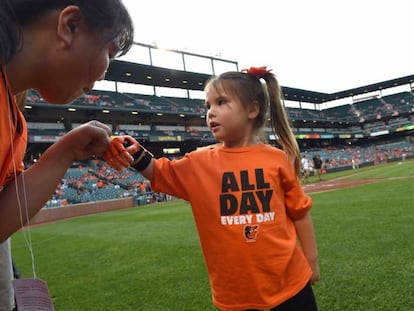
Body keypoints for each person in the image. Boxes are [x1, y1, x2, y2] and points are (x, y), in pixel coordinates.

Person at [105, 67, 320, 311]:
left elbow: (299, 212)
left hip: (292, 283)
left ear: (252, 109)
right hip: (236, 296)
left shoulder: (277, 159)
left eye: (221, 102)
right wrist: (131, 151)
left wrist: (311, 259)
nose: (210, 112)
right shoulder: (198, 163)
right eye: (208, 106)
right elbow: (159, 171)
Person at [0, 1, 134, 310]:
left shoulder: (14, 117)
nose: (102, 74)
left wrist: (66, 150)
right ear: (70, 25)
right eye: (110, 54)